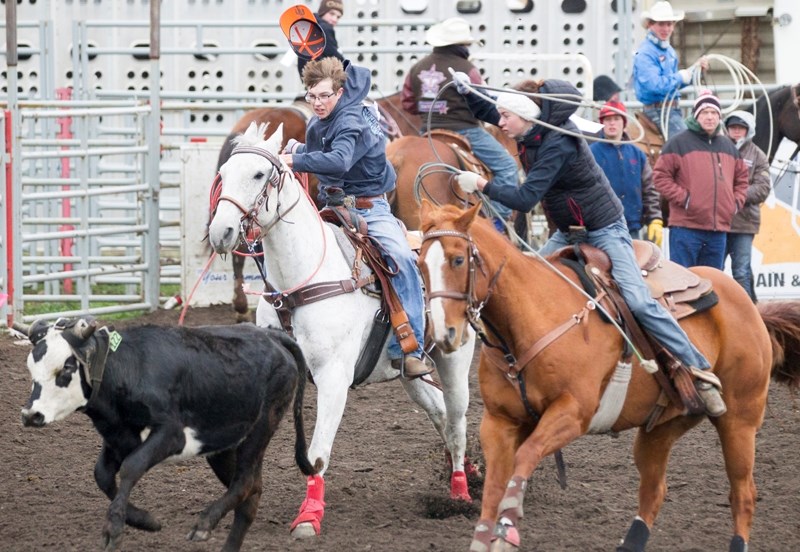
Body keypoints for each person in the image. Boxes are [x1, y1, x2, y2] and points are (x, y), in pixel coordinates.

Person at [450, 76, 726, 417]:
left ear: (526, 116)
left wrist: (479, 183)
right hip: (568, 231)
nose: (500, 122)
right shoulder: (526, 126)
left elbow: (524, 199)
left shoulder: (558, 144)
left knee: (638, 299)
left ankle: (699, 369)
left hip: (604, 229)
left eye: (506, 117)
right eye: (502, 116)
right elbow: (492, 111)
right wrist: (468, 92)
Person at [279, 57, 431, 378]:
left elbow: (337, 161)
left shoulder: (352, 120)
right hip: (336, 205)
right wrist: (300, 151)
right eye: (311, 96)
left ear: (340, 92)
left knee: (402, 258)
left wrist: (293, 158)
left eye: (324, 96)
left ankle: (411, 347)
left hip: (370, 207)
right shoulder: (321, 120)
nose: (317, 103)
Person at [400, 16, 519, 228]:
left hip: (429, 130)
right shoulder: (467, 68)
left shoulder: (417, 67)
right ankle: (498, 223)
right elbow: (481, 102)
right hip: (466, 130)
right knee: (508, 167)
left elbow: (408, 103)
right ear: (462, 45)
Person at [653, 91, 750, 270]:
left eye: (714, 113)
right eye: (704, 112)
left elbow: (742, 179)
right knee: (683, 282)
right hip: (685, 228)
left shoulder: (728, 146)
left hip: (718, 230)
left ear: (719, 116)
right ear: (696, 115)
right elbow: (660, 176)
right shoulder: (678, 143)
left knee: (712, 286)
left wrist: (734, 203)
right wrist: (686, 199)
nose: (710, 117)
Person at [632, 1, 709, 139]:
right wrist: (680, 77)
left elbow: (673, 85)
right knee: (686, 144)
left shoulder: (669, 51)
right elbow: (654, 85)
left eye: (669, 24)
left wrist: (695, 72)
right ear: (650, 24)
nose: (666, 29)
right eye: (661, 24)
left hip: (671, 110)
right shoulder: (645, 53)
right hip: (658, 111)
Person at [590, 101, 663, 244]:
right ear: (602, 123)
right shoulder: (591, 153)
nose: (612, 124)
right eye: (608, 119)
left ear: (624, 123)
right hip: (600, 227)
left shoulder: (637, 154)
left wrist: (655, 219)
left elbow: (649, 189)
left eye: (616, 119)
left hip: (632, 226)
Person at [723, 110, 771, 302]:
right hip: (718, 223)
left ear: (748, 130)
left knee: (741, 271)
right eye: (733, 127)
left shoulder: (758, 155)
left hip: (744, 224)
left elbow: (763, 187)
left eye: (740, 128)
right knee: (714, 270)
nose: (736, 131)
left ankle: (747, 314)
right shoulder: (717, 148)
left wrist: (735, 196)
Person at [296, 0, 345, 78]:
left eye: (338, 17)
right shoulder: (325, 28)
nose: (335, 19)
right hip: (320, 75)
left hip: (307, 74)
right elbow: (333, 54)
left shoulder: (311, 25)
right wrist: (347, 64)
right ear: (322, 12)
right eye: (332, 14)